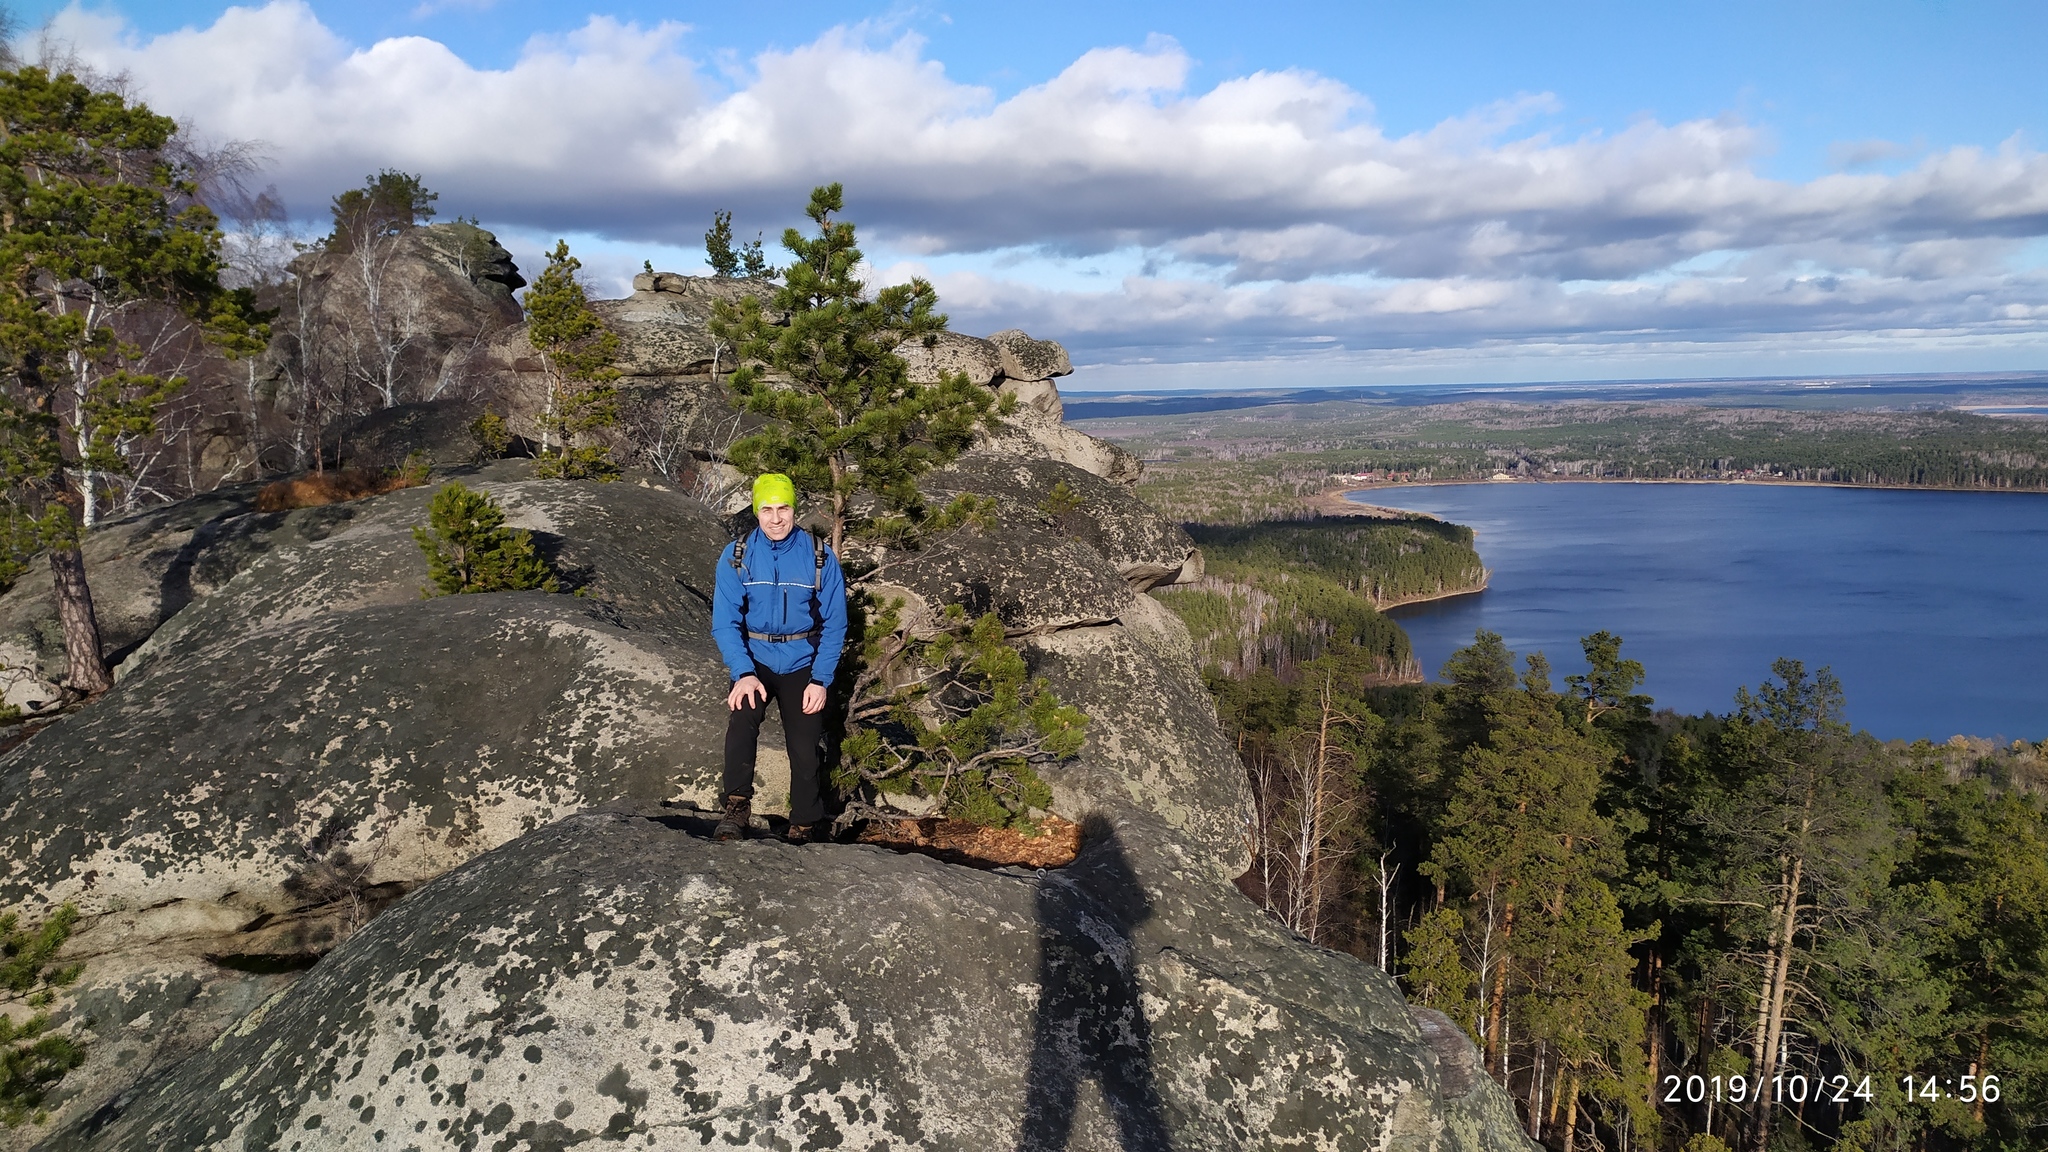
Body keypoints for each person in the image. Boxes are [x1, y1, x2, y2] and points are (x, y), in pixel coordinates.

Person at [710, 473, 848, 843]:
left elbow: (835, 623)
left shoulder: (818, 555)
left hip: (803, 661)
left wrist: (820, 679)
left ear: (793, 510)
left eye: (783, 508)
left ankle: (804, 823)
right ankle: (736, 808)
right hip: (754, 661)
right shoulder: (737, 555)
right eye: (766, 509)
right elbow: (725, 622)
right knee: (741, 726)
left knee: (804, 748)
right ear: (756, 512)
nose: (775, 518)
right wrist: (742, 672)